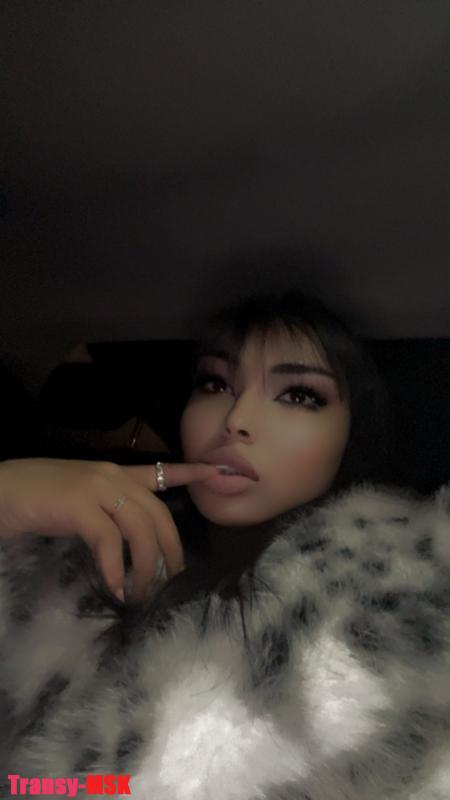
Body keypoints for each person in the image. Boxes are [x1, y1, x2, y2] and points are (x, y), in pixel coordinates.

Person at [2, 282, 448, 799]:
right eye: (214, 385)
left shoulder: (414, 610)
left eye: (299, 395)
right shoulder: (62, 573)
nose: (235, 421)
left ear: (352, 438)